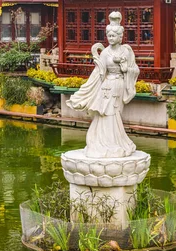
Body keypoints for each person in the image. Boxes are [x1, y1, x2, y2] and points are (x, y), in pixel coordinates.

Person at [67, 11, 139, 158]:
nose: (111, 38)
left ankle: (116, 142)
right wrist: (99, 70)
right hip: (106, 86)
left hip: (119, 84)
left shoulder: (126, 51)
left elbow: (135, 69)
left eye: (114, 36)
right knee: (104, 112)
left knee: (115, 112)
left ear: (120, 37)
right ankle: (101, 142)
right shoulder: (105, 52)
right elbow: (100, 73)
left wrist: (126, 69)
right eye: (109, 36)